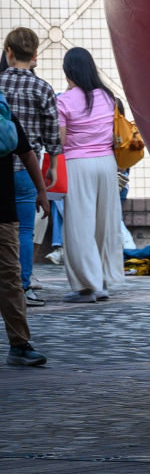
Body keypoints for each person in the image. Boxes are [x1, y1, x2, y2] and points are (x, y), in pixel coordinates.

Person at [55, 47, 126, 304]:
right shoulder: (108, 97)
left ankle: (87, 286)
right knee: (103, 224)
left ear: (68, 71)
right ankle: (103, 282)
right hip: (107, 164)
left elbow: (60, 141)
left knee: (79, 226)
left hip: (78, 165)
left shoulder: (64, 100)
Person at [1, 27, 60, 307]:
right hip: (27, 168)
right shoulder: (42, 88)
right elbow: (52, 134)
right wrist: (53, 168)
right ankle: (23, 287)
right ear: (35, 54)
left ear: (8, 52)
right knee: (24, 230)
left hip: (1, 167)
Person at [1, 94, 49, 365]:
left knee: (10, 279)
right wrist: (40, 190)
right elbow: (28, 154)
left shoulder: (2, 111)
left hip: (4, 214)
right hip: (4, 212)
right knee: (10, 279)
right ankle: (19, 345)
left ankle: (19, 345)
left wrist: (41, 190)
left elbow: (26, 152)